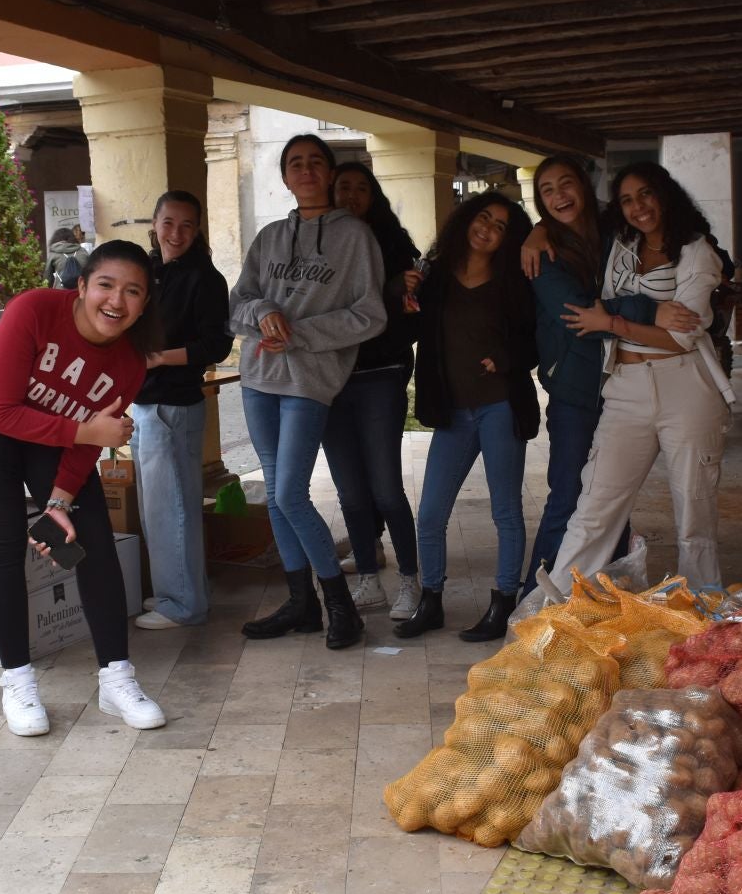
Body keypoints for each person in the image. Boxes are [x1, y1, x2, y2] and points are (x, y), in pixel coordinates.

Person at [0, 241, 167, 736]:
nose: (116, 301)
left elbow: (87, 446)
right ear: (82, 286)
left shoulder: (128, 364)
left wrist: (60, 502)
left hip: (54, 432)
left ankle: (116, 678)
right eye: (105, 285)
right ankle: (18, 682)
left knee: (86, 547)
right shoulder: (35, 310)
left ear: (144, 304)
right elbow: (0, 413)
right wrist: (87, 431)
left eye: (133, 292)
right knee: (2, 544)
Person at [229, 133, 386, 649]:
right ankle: (301, 605)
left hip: (308, 379)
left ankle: (339, 604)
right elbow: (240, 301)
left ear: (328, 172)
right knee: (277, 495)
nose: (305, 170)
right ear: (285, 176)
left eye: (315, 162)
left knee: (290, 492)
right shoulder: (271, 235)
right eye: (295, 163)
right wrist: (263, 314)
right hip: (257, 378)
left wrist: (298, 334)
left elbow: (370, 314)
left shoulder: (355, 238)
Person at [547, 162, 736, 592]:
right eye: (628, 200)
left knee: (695, 515)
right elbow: (568, 216)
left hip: (686, 387)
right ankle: (556, 611)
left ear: (665, 195)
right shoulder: (620, 243)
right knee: (595, 505)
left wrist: (611, 323)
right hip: (627, 386)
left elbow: (682, 338)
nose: (638, 207)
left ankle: (702, 620)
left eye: (646, 194)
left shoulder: (697, 251)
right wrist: (539, 232)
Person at [519, 155, 700, 592]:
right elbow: (577, 316)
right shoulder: (543, 253)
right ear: (541, 202)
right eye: (547, 190)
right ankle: (529, 603)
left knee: (611, 502)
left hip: (624, 385)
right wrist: (651, 310)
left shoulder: (613, 231)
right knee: (569, 500)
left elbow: (682, 244)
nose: (560, 195)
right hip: (577, 394)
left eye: (567, 183)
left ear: (583, 185)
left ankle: (604, 596)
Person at [395, 192, 538, 642]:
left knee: (506, 514)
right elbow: (413, 331)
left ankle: (503, 603)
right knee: (431, 513)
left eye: (499, 225)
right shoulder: (436, 274)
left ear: (508, 237)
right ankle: (431, 601)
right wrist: (405, 299)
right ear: (466, 220)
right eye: (483, 218)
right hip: (454, 412)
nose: (488, 229)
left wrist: (506, 358)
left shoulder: (514, 278)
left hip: (500, 406)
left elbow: (536, 340)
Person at [322, 162, 424, 621]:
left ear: (374, 196)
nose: (351, 195)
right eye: (343, 187)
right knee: (350, 491)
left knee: (385, 487)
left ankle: (410, 583)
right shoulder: (317, 242)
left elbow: (413, 310)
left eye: (362, 188)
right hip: (331, 378)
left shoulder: (394, 243)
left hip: (381, 374)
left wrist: (392, 292)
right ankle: (368, 580)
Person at [132, 191, 233, 631]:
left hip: (173, 405)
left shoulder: (205, 279)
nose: (176, 233)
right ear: (154, 224)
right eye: (168, 223)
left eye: (187, 225)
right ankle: (176, 593)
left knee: (172, 508)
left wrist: (157, 359)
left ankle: (185, 604)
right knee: (157, 507)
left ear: (198, 230)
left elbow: (215, 347)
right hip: (145, 404)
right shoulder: (150, 272)